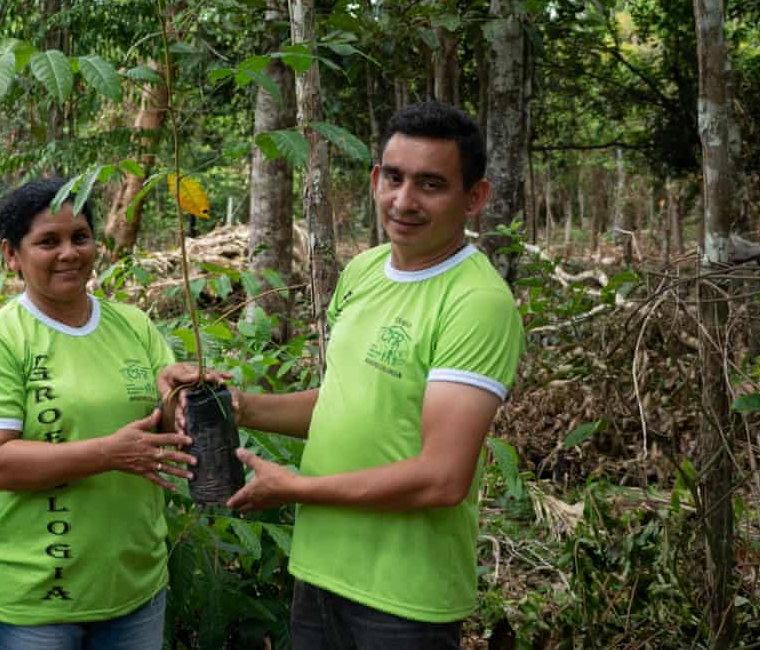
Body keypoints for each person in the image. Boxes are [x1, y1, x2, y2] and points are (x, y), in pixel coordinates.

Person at [163, 101, 524, 649]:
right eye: (395, 178)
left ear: (474, 198)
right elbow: (342, 402)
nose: (404, 201)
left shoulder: (475, 302)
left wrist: (299, 489)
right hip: (320, 573)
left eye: (431, 185)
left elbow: (443, 476)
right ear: (376, 178)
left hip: (403, 597)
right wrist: (236, 405)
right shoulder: (363, 272)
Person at [0, 176, 195, 650]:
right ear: (11, 255)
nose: (69, 253)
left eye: (80, 237)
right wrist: (109, 453)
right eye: (48, 241)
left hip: (135, 591)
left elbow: (164, 425)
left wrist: (180, 396)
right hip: (34, 607)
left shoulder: (134, 326)